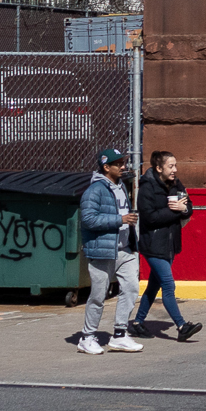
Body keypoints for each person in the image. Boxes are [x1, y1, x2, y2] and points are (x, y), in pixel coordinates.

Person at [76, 148, 143, 355]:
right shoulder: (94, 190)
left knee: (131, 289)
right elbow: (88, 219)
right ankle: (87, 337)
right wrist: (120, 220)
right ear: (106, 167)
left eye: (124, 162)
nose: (123, 167)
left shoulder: (120, 185)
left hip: (125, 249)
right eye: (119, 164)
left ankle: (120, 335)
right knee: (98, 295)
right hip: (103, 250)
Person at [132, 151, 202, 342]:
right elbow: (150, 218)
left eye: (175, 165)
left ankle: (137, 323)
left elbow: (188, 206)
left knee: (154, 285)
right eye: (171, 166)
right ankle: (181, 326)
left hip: (169, 243)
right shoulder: (147, 188)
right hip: (152, 245)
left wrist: (184, 209)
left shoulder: (176, 184)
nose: (175, 170)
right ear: (159, 168)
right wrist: (175, 212)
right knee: (168, 285)